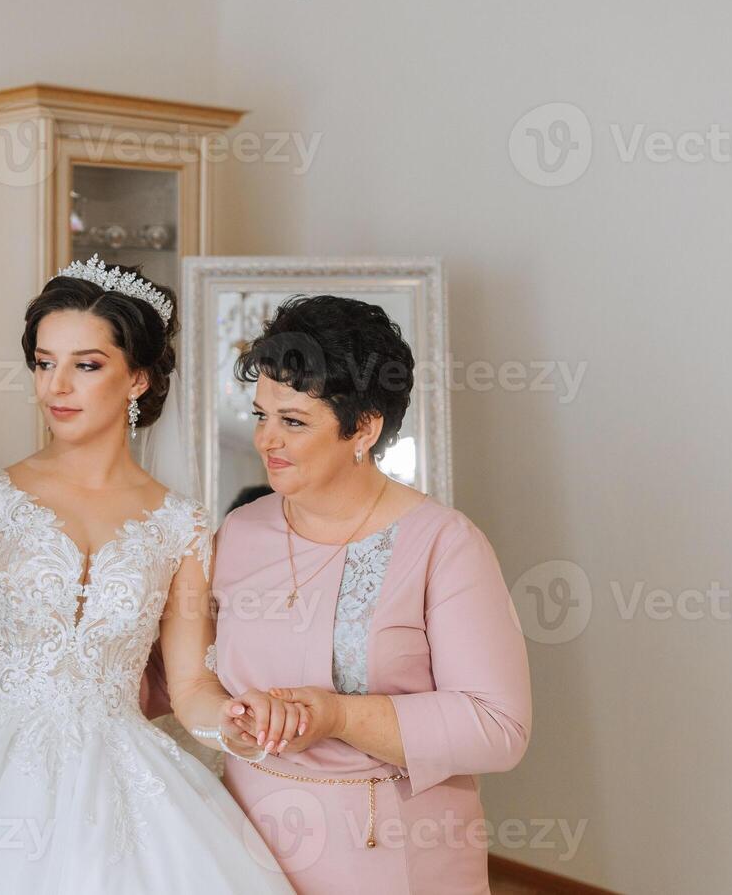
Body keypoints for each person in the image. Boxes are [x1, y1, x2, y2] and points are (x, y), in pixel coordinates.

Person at [0, 256, 293, 893]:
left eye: (85, 365)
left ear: (138, 378)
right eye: (44, 362)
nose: (55, 386)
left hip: (120, 774)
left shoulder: (181, 525)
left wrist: (231, 722)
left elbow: (189, 687)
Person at [213, 295, 532, 894]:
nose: (266, 440)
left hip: (392, 853)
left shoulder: (444, 542)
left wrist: (335, 715)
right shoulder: (240, 531)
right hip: (247, 848)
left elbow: (498, 726)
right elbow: (188, 674)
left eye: (294, 421)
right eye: (261, 414)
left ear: (363, 427)